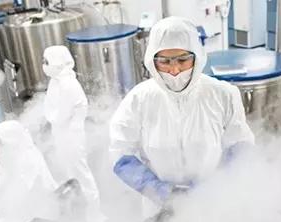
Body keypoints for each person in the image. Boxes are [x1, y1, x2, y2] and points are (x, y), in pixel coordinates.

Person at [109, 17, 255, 208]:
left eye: (183, 60)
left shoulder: (223, 94)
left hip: (213, 202)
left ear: (197, 57)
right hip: (159, 206)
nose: (175, 70)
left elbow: (241, 146)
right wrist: (159, 191)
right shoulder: (138, 99)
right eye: (165, 61)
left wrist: (213, 186)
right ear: (152, 61)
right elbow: (120, 153)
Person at [42, 45, 104, 222]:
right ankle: (80, 211)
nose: (44, 65)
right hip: (63, 136)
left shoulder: (68, 84)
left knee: (81, 176)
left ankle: (94, 214)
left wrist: (49, 117)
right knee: (72, 175)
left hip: (72, 138)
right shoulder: (57, 81)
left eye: (46, 62)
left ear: (57, 62)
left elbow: (59, 116)